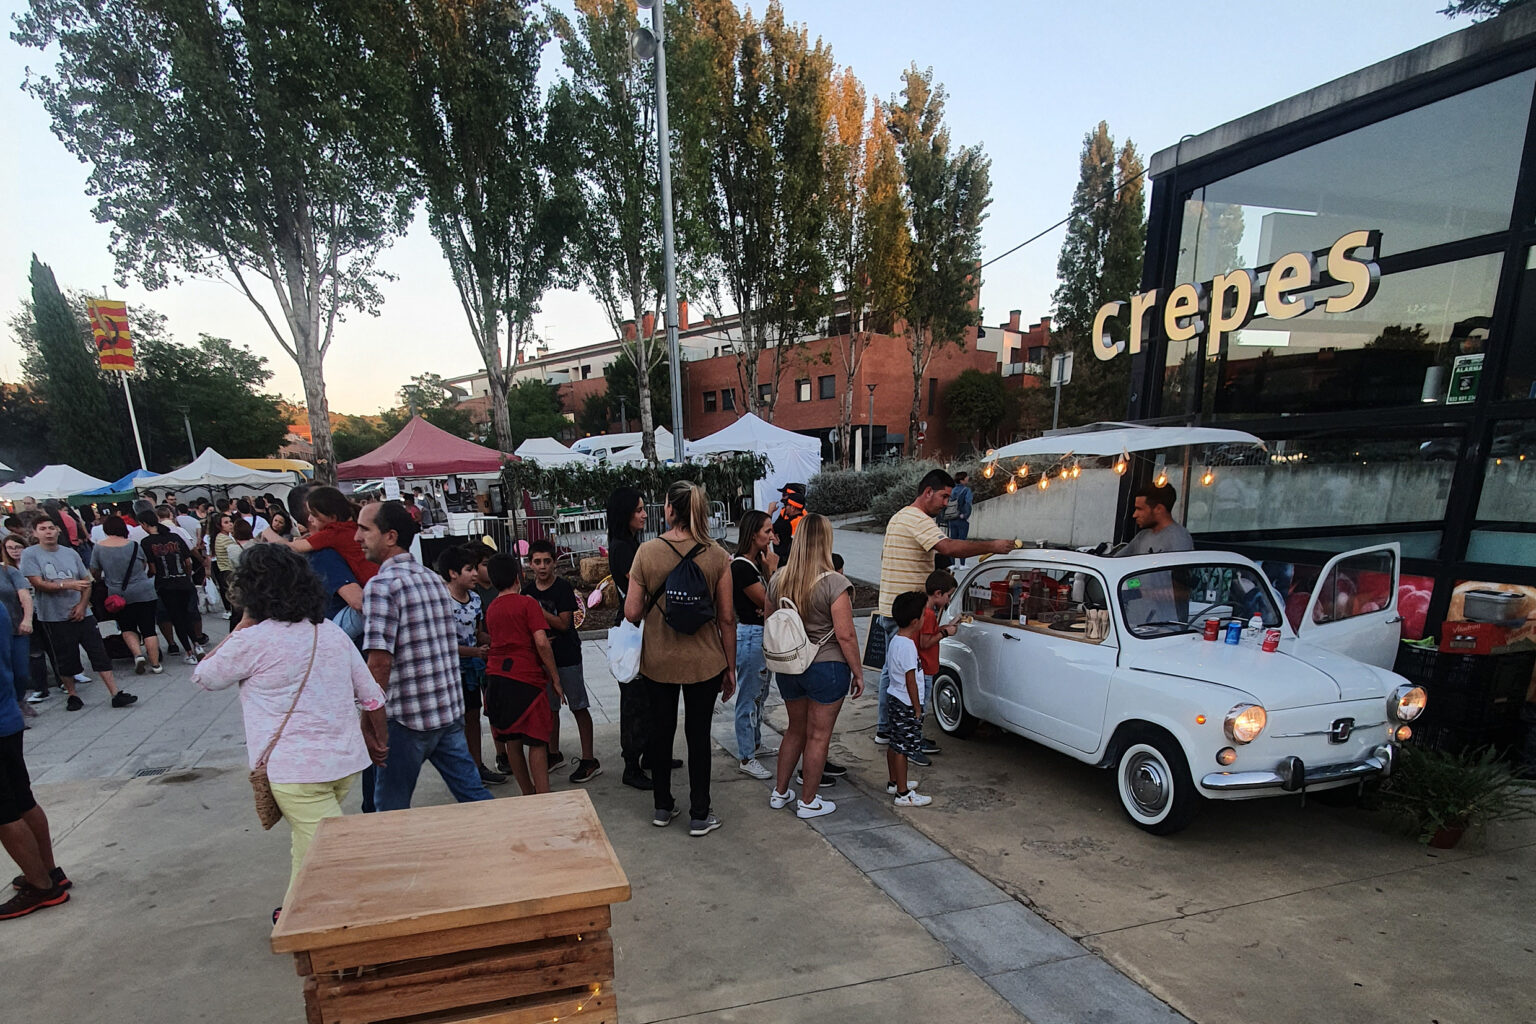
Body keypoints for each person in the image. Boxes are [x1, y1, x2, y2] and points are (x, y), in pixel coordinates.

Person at [192, 544, 387, 921]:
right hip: (345, 764)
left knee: (332, 855)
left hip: (296, 773)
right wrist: (379, 743)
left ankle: (337, 927)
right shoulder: (329, 631)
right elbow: (372, 699)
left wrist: (243, 625)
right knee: (307, 844)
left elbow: (205, 676)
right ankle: (295, 912)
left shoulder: (252, 640)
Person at [357, 500, 493, 811]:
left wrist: (369, 720)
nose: (357, 537)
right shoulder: (432, 581)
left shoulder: (382, 586)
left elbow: (379, 663)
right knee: (474, 797)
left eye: (365, 529)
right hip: (445, 711)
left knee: (390, 809)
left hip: (406, 720)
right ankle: (510, 847)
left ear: (390, 536)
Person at [623, 481, 736, 837]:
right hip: (704, 660)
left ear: (669, 509)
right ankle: (700, 813)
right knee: (698, 735)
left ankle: (662, 805)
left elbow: (631, 612)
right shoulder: (717, 555)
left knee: (661, 731)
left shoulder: (647, 553)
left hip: (658, 660)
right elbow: (727, 618)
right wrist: (730, 667)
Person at [873, 470, 1013, 756]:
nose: (947, 503)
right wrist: (993, 547)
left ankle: (886, 729)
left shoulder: (900, 517)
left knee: (893, 673)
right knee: (912, 677)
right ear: (927, 492)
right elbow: (948, 546)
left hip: (893, 607)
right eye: (944, 496)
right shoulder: (916, 518)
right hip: (908, 615)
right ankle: (908, 734)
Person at [764, 513, 863, 819]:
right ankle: (808, 801)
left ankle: (780, 792)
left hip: (789, 667)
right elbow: (846, 634)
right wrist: (858, 672)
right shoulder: (835, 582)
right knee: (819, 736)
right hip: (826, 666)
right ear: (825, 541)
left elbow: (769, 620)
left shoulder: (779, 578)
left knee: (795, 729)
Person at [0, 604, 71, 920]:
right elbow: (18, 660)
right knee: (22, 798)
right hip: (7, 713)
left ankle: (41, 886)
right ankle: (48, 871)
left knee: (4, 811)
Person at [21, 519, 136, 711]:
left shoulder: (70, 552)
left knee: (98, 650)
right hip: (53, 616)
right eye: (43, 529)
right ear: (35, 533)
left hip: (82, 612)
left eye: (51, 528)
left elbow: (86, 581)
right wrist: (67, 585)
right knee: (65, 657)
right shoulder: (30, 554)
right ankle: (72, 695)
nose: (48, 532)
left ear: (57, 530)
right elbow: (37, 582)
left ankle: (115, 692)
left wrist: (83, 605)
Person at [483, 553, 564, 794]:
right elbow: (541, 641)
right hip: (525, 677)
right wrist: (555, 678)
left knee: (511, 741)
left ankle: (527, 794)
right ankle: (543, 796)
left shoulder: (492, 608)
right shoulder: (527, 603)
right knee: (537, 740)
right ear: (518, 577)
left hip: (496, 679)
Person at [526, 539, 599, 783]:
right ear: (530, 564)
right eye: (537, 562)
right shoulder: (527, 591)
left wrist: (538, 611)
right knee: (549, 708)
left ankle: (589, 759)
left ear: (554, 563)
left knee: (578, 705)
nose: (543, 566)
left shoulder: (563, 588)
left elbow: (564, 623)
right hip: (542, 658)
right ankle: (552, 752)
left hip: (566, 656)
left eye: (547, 561)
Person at [435, 546, 505, 786]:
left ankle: (476, 766)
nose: (475, 574)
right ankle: (462, 771)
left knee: (474, 717)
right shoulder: (442, 601)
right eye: (469, 569)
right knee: (455, 722)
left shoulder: (475, 599)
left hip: (473, 669)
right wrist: (474, 651)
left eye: (475, 568)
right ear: (453, 573)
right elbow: (442, 643)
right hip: (451, 670)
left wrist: (496, 642)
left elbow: (478, 633)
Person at [606, 486, 661, 790]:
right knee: (635, 701)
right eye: (638, 510)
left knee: (648, 699)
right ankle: (632, 764)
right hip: (633, 631)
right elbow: (637, 586)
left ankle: (650, 754)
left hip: (642, 628)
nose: (643, 514)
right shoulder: (622, 549)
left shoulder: (628, 543)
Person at [730, 510, 779, 779]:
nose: (772, 536)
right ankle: (747, 756)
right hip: (750, 635)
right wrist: (771, 572)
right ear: (753, 535)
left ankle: (755, 744)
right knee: (749, 696)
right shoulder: (741, 567)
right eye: (767, 531)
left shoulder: (753, 564)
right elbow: (768, 601)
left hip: (759, 633)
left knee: (760, 694)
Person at [90, 515, 164, 676]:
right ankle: (156, 664)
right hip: (144, 591)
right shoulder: (135, 546)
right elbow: (143, 565)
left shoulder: (99, 548)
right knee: (149, 628)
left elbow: (94, 570)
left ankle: (137, 655)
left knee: (127, 627)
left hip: (118, 594)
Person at [269, 486, 377, 587]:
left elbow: (292, 547)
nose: (309, 519)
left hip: (368, 581)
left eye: (314, 515)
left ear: (332, 517)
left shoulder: (333, 532)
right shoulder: (350, 526)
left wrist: (268, 532)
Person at [884, 591, 933, 808]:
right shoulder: (908, 646)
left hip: (895, 697)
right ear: (915, 621)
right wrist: (917, 707)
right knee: (903, 747)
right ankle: (903, 793)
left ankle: (894, 781)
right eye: (923, 615)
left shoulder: (896, 640)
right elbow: (910, 679)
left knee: (895, 743)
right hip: (906, 701)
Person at [912, 569, 958, 769]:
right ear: (938, 594)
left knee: (921, 709)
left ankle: (917, 739)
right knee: (920, 709)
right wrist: (946, 633)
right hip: (925, 668)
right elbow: (925, 641)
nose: (948, 601)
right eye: (948, 596)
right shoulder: (929, 614)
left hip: (923, 668)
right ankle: (912, 746)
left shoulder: (925, 609)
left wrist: (946, 626)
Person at [142, 516, 204, 664]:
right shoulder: (175, 536)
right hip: (183, 581)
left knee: (176, 618)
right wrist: (187, 576)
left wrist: (149, 576)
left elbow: (152, 568)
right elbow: (187, 561)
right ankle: (197, 645)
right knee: (187, 614)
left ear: (144, 524)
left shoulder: (146, 542)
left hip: (165, 584)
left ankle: (189, 652)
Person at [0, 541, 34, 719]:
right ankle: (12, 710)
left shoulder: (8, 571)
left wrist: (27, 619)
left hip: (15, 629)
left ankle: (19, 699)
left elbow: (25, 596)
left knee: (20, 672)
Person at [1116, 482, 1195, 556]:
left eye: (1139, 509)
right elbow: (1116, 561)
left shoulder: (1178, 538)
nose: (1134, 515)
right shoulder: (1142, 536)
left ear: (1159, 509)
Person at [770, 484, 807, 563]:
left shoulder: (800, 517)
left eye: (784, 495)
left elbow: (770, 528)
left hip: (790, 558)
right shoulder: (785, 512)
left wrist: (770, 512)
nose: (782, 498)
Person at [211, 514, 238, 612]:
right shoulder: (224, 539)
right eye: (226, 523)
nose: (230, 524)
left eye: (230, 521)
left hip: (225, 570)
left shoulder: (221, 537)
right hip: (228, 570)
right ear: (219, 526)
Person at [948, 472, 974, 567]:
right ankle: (962, 564)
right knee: (962, 542)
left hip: (952, 518)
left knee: (953, 541)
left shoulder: (952, 490)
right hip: (961, 518)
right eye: (966, 477)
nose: (968, 478)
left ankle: (952, 564)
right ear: (962, 480)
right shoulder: (966, 490)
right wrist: (965, 515)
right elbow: (968, 503)